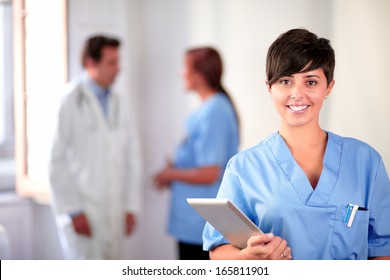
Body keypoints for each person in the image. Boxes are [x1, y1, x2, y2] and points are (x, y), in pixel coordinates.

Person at [203, 28, 390, 260]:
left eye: (311, 82)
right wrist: (249, 257)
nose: (297, 94)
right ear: (269, 88)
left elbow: (383, 250)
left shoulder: (366, 162)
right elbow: (218, 250)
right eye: (285, 81)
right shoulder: (243, 168)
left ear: (328, 87)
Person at [49, 35, 142, 259]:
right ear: (91, 62)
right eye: (111, 62)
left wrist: (131, 206)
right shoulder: (70, 100)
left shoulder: (119, 101)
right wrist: (73, 211)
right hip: (84, 212)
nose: (118, 69)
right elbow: (56, 160)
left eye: (118, 62)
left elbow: (132, 156)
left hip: (114, 211)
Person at [154, 47, 239, 260]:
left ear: (199, 75)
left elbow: (210, 172)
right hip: (192, 223)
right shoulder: (207, 109)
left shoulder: (215, 111)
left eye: (185, 68)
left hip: (200, 225)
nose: (181, 74)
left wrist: (170, 174)